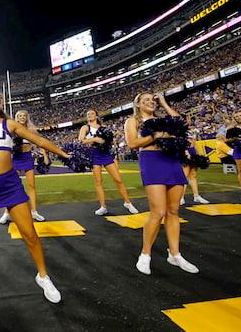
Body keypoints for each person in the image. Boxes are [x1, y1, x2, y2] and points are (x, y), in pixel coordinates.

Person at [0, 91, 70, 323]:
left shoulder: (9, 124)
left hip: (10, 185)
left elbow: (38, 140)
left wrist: (63, 154)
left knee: (30, 235)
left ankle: (43, 276)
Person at [125, 93, 199, 276]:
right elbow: (132, 143)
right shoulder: (133, 121)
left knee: (173, 211)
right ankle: (145, 254)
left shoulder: (162, 119)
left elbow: (180, 123)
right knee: (158, 211)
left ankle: (175, 254)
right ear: (138, 104)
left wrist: (164, 103)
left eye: (153, 100)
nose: (150, 102)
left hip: (172, 160)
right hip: (151, 161)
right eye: (146, 100)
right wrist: (156, 136)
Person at [78, 109, 138, 215]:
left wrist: (113, 155)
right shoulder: (85, 127)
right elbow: (81, 141)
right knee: (98, 181)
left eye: (92, 113)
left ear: (96, 116)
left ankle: (128, 203)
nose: (90, 115)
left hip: (106, 154)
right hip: (94, 155)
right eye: (88, 114)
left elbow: (109, 142)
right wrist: (94, 139)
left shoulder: (103, 128)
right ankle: (103, 206)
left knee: (118, 179)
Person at [0, 110, 46, 224]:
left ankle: (34, 211)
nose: (22, 117)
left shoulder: (31, 130)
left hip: (27, 157)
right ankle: (6, 213)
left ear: (27, 117)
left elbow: (41, 142)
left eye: (24, 115)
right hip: (16, 158)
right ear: (16, 118)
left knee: (31, 185)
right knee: (12, 185)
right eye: (20, 116)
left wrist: (44, 155)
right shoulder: (13, 130)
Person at [181, 126, 210, 205]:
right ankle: (181, 197)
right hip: (185, 155)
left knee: (193, 176)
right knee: (184, 177)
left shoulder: (191, 132)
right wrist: (186, 152)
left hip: (193, 154)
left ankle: (196, 196)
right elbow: (181, 144)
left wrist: (198, 155)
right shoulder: (180, 133)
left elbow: (194, 143)